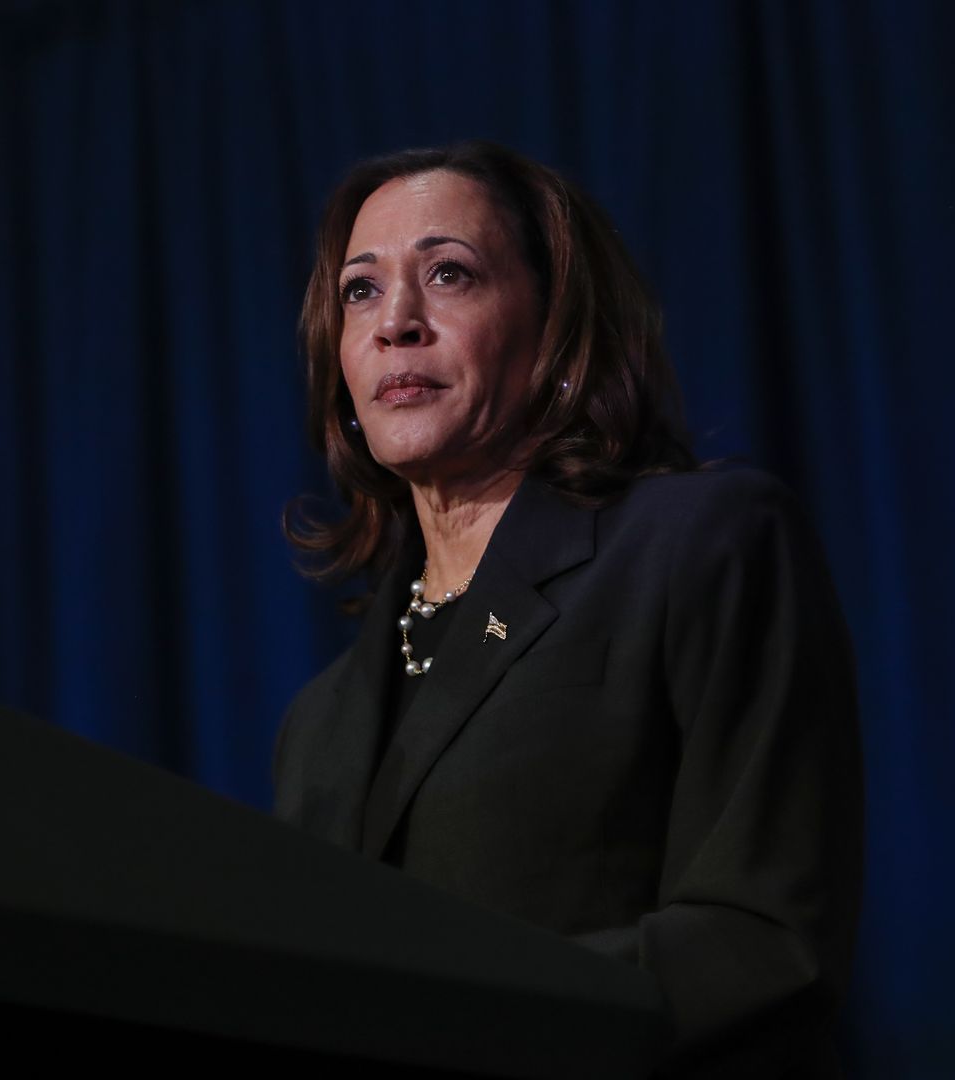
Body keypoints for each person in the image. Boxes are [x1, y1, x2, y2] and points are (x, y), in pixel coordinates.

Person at [272, 142, 864, 1079]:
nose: (397, 324)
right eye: (360, 292)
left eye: (449, 274)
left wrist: (453, 1018)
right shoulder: (319, 723)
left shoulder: (699, 545)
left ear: (553, 329)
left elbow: (762, 942)